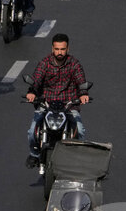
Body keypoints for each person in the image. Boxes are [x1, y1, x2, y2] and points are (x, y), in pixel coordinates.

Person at [25, 33, 90, 167]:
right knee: (32, 131)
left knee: (80, 130)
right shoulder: (45, 63)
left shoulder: (74, 64)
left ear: (68, 49)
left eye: (62, 49)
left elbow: (81, 81)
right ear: (52, 49)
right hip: (47, 104)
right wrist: (31, 93)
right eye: (57, 49)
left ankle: (78, 159)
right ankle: (34, 155)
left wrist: (83, 94)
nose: (59, 52)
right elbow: (36, 80)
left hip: (68, 105)